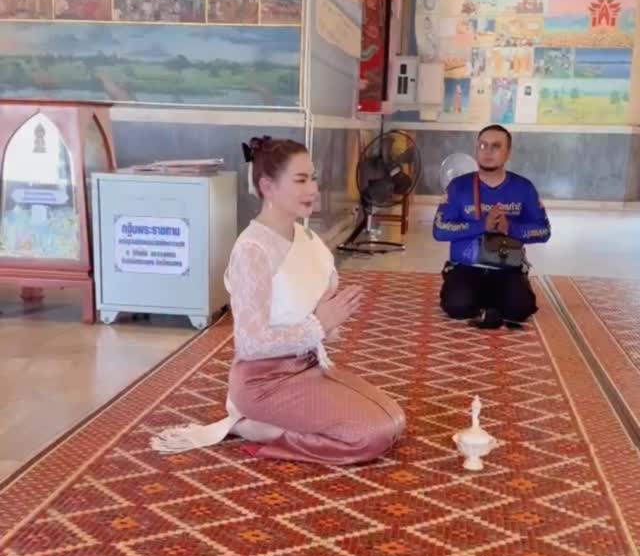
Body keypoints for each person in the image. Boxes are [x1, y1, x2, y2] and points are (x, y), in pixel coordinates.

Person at [152, 137, 405, 465]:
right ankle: (256, 428)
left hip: (308, 367)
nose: (312, 189)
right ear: (267, 187)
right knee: (372, 434)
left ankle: (274, 423)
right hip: (263, 382)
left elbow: (308, 314)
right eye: (300, 180)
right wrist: (320, 323)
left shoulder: (308, 238)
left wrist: (328, 321)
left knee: (394, 418)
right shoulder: (253, 250)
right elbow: (251, 344)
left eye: (313, 178)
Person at [433, 125, 550, 329]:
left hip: (507, 267)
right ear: (476, 149)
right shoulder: (458, 187)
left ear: (508, 152)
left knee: (519, 310)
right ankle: (481, 297)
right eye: (483, 145)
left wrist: (510, 228)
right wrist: (482, 225)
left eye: (496, 146)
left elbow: (544, 231)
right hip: (467, 266)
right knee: (457, 307)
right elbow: (439, 230)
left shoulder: (523, 188)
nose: (488, 151)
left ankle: (496, 297)